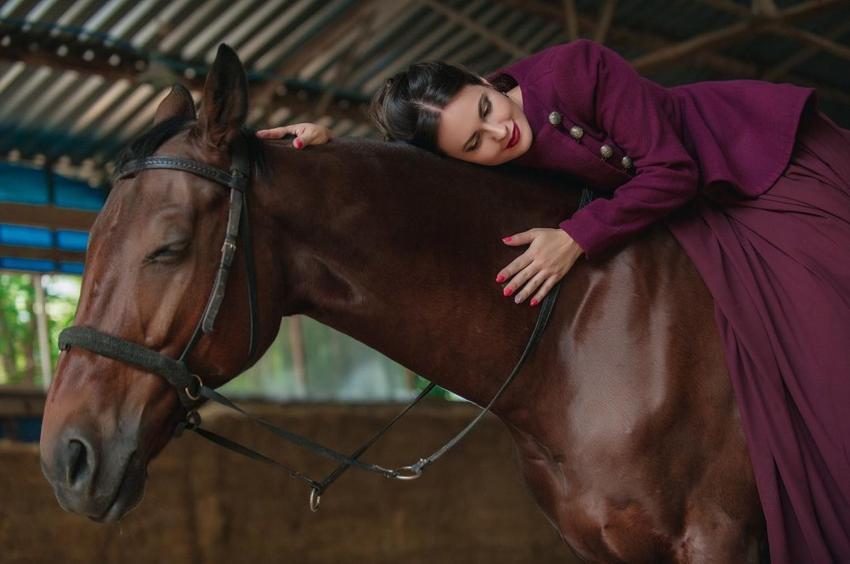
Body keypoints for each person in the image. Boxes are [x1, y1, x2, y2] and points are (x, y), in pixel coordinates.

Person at [256, 39, 850, 562]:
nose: (499, 134)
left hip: (752, 164)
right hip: (689, 215)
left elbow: (672, 169)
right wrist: (328, 147)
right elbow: (410, 183)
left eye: (485, 109)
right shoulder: (481, 160)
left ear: (484, 81)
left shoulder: (578, 70)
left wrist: (576, 237)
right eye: (474, 144)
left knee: (826, 307)